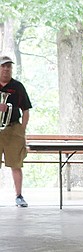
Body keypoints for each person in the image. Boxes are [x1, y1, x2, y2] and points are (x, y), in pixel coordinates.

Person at [0, 54, 32, 207]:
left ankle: (19, 196)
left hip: (13, 128)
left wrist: (22, 129)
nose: (6, 69)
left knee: (16, 164)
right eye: (3, 66)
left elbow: (26, 110)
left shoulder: (17, 86)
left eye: (9, 66)